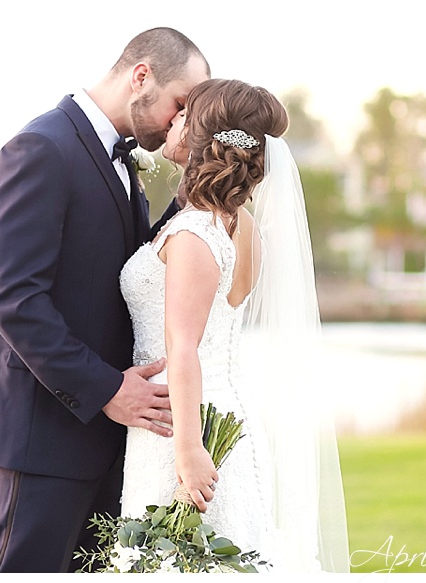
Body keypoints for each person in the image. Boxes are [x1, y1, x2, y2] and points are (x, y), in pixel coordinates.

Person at [0, 27, 210, 573]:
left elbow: (123, 270)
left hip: (106, 439)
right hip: (40, 435)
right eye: (180, 104)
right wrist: (107, 390)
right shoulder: (41, 148)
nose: (180, 121)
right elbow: (11, 297)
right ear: (141, 76)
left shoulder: (121, 162)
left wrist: (196, 199)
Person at [119, 79, 350, 572]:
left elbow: (183, 348)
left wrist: (188, 451)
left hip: (182, 424)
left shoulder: (194, 232)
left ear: (201, 134)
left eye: (184, 113)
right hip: (223, 411)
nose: (173, 119)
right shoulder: (242, 227)